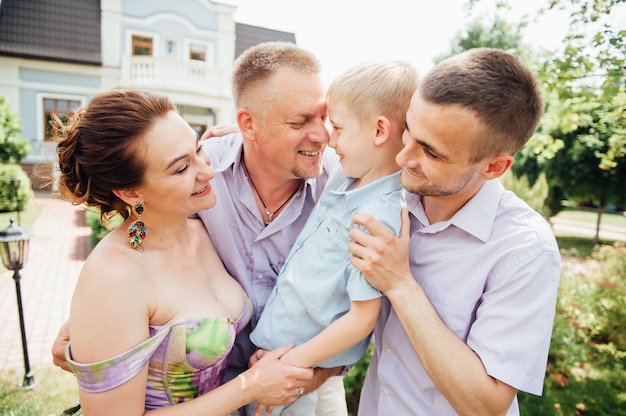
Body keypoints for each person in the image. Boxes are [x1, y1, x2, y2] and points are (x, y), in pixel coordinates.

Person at [52, 41, 348, 416]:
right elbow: (125, 267)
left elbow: (142, 237)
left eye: (198, 148)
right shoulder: (119, 268)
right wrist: (100, 312)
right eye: (181, 167)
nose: (209, 170)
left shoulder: (193, 228)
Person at [347, 48, 562, 415]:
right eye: (409, 132)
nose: (402, 157)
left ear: (495, 166)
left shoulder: (525, 249)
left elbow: (487, 405)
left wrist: (400, 284)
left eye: (431, 152)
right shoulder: (391, 196)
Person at [248, 60, 419, 415]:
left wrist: (289, 366)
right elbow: (290, 146)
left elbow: (361, 319)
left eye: (337, 127)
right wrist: (239, 134)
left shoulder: (377, 218)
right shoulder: (349, 174)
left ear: (379, 131)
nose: (329, 138)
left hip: (294, 369)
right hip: (290, 356)